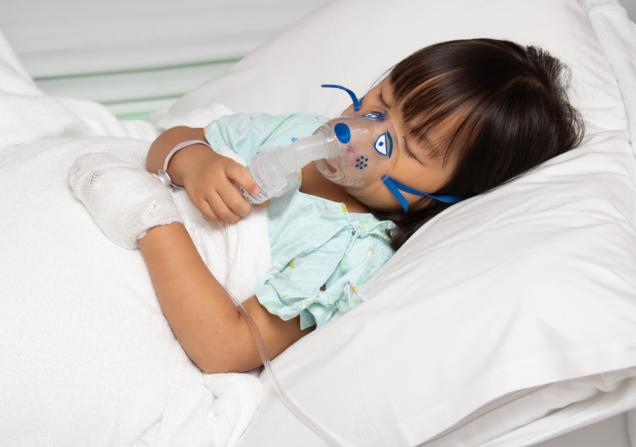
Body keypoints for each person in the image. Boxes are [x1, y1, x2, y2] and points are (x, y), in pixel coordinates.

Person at [67, 38, 584, 374]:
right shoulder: (289, 133)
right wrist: (193, 160)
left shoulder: (349, 252)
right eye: (378, 104)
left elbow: (224, 349)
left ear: (440, 197)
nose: (360, 132)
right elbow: (170, 142)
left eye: (400, 145)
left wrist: (152, 220)